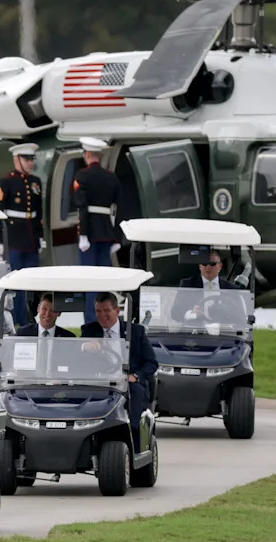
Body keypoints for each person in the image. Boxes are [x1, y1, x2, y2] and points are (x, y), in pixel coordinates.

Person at [81, 292, 158, 449]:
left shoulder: (135, 332)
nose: (102, 316)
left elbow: (151, 362)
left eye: (107, 311)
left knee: (135, 391)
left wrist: (135, 376)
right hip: (99, 381)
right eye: (98, 312)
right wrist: (84, 347)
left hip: (127, 381)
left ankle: (134, 435)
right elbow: (76, 358)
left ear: (117, 311)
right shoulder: (89, 331)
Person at [0, 143, 45, 326]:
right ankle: (17, 318)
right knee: (15, 282)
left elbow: (39, 213)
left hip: (30, 238)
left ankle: (29, 317)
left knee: (32, 282)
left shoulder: (35, 181)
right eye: (26, 159)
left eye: (31, 159)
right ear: (17, 159)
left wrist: (40, 236)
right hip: (13, 237)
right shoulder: (6, 182)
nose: (30, 163)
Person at [74, 137, 124, 323]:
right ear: (99, 156)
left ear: (87, 155)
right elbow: (120, 207)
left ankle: (90, 320)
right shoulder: (111, 177)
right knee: (104, 281)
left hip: (90, 233)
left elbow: (82, 207)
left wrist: (83, 234)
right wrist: (117, 237)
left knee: (89, 281)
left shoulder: (83, 176)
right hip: (106, 233)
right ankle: (106, 319)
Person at [172, 250, 247, 323]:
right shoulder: (187, 285)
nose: (208, 267)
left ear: (220, 266)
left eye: (212, 264)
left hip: (224, 331)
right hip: (196, 331)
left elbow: (241, 316)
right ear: (200, 266)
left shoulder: (231, 289)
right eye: (204, 264)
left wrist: (228, 313)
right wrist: (191, 313)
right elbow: (175, 312)